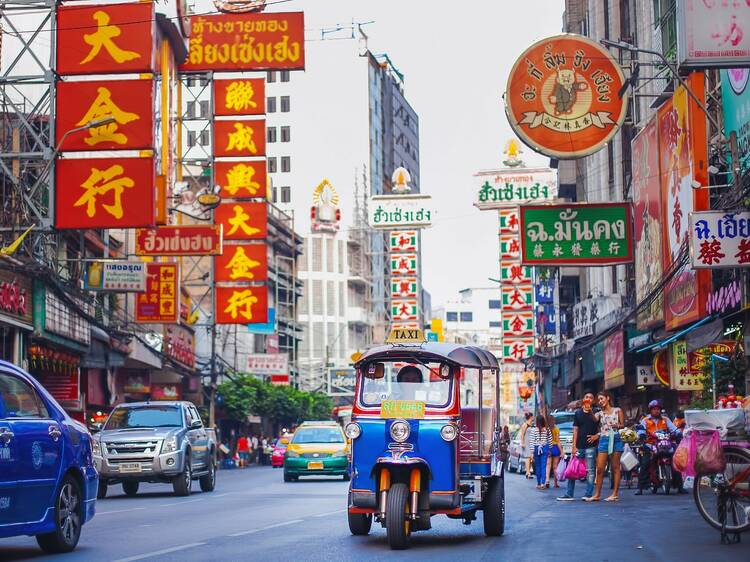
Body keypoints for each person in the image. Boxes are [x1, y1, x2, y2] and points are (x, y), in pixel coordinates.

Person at [635, 400, 685, 495]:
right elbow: (640, 429)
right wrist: (641, 434)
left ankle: (679, 487)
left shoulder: (665, 419)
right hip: (650, 445)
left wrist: (678, 433)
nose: (656, 411)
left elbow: (674, 429)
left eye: (658, 409)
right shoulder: (645, 420)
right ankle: (640, 488)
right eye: (654, 409)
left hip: (666, 443)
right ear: (651, 410)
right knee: (645, 463)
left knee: (676, 461)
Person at [558, 392, 599, 501]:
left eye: (591, 397)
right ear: (583, 400)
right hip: (579, 445)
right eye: (586, 397)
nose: (588, 399)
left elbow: (599, 426)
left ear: (593, 401)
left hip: (591, 446)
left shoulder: (596, 412)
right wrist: (573, 446)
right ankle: (569, 493)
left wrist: (596, 436)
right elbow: (575, 430)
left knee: (590, 471)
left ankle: (588, 494)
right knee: (573, 469)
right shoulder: (578, 413)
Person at [585, 390, 624, 502]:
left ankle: (615, 494)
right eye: (599, 400)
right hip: (603, 439)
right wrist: (590, 411)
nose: (600, 401)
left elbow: (622, 424)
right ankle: (597, 494)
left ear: (608, 398)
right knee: (600, 468)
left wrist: (618, 425)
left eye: (602, 399)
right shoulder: (599, 413)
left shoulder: (618, 410)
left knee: (615, 467)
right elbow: (594, 419)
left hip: (616, 438)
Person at [529, 415, 552, 490]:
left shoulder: (533, 430)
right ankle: (543, 483)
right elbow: (550, 441)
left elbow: (531, 441)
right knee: (543, 466)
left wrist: (532, 452)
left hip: (536, 449)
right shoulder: (547, 430)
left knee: (538, 467)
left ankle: (539, 483)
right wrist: (549, 449)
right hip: (545, 448)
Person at [546, 414, 562, 488]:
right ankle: (556, 483)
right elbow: (558, 441)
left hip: (548, 447)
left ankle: (547, 480)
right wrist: (561, 451)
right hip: (555, 448)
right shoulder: (556, 429)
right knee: (555, 467)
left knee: (548, 465)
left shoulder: (546, 429)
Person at [519, 412, 534, 479]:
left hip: (531, 442)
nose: (533, 417)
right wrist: (522, 443)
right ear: (530, 417)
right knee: (528, 457)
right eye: (532, 416)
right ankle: (528, 472)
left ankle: (528, 471)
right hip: (526, 442)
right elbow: (522, 434)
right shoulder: (525, 425)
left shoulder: (531, 424)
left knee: (531, 457)